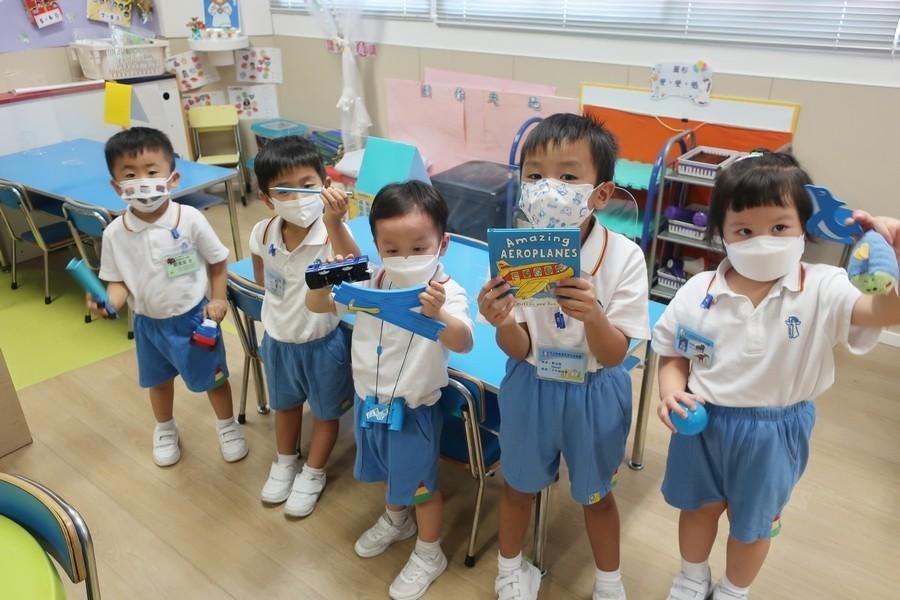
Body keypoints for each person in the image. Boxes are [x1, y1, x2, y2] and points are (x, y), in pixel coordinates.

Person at [652, 151, 900, 600]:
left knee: (753, 525)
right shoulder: (697, 291)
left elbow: (883, 311)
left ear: (804, 226)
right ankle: (691, 578)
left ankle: (733, 590)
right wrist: (671, 392)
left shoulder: (823, 286)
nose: (763, 241)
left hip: (774, 432)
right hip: (701, 424)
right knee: (697, 510)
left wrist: (893, 263)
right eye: (744, 230)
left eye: (780, 227)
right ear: (721, 233)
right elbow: (672, 352)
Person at [477, 113, 650, 600]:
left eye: (568, 176)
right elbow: (519, 348)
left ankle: (609, 582)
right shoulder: (515, 253)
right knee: (518, 486)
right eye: (535, 175)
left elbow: (615, 356)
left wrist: (594, 316)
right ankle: (510, 570)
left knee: (596, 495)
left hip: (595, 391)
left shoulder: (624, 257)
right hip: (530, 383)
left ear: (600, 193)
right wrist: (502, 321)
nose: (548, 188)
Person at [307, 180, 474, 600]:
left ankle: (430, 552)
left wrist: (439, 317)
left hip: (414, 410)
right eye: (392, 248)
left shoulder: (446, 291)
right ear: (378, 246)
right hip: (370, 402)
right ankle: (397, 521)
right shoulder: (372, 279)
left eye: (418, 247)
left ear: (442, 243)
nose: (405, 258)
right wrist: (323, 284)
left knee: (422, 487)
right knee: (390, 472)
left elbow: (463, 341)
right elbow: (318, 305)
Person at [91, 127, 247, 467]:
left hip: (195, 319)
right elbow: (118, 283)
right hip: (148, 325)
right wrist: (109, 302)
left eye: (151, 172)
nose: (142, 182)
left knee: (214, 378)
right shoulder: (115, 233)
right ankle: (165, 428)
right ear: (116, 186)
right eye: (130, 175)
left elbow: (217, 261)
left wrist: (218, 299)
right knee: (158, 382)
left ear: (172, 178)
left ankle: (227, 425)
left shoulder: (189, 219)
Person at [249, 136, 359, 517]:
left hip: (321, 343)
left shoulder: (332, 233)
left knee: (327, 413)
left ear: (325, 185)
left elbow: (354, 266)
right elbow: (262, 278)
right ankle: (285, 461)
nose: (298, 198)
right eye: (284, 190)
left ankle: (314, 472)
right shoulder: (263, 232)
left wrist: (336, 221)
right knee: (285, 406)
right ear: (267, 199)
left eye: (307, 185)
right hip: (278, 341)